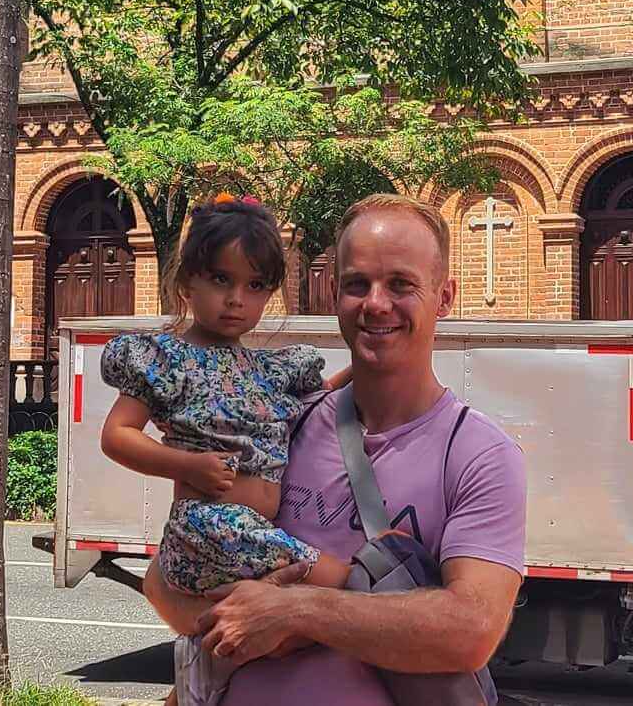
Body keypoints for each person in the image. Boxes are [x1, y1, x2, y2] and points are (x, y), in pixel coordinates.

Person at [144, 192, 527, 705]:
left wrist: (293, 612)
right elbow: (164, 583)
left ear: (445, 297)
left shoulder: (478, 453)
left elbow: (470, 629)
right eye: (357, 284)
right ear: (333, 294)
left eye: (401, 285)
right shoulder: (283, 424)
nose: (375, 303)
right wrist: (248, 619)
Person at [100, 197, 358, 664]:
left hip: (253, 532)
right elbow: (117, 434)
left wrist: (362, 369)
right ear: (187, 281)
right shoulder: (169, 361)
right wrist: (187, 465)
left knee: (249, 647)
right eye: (221, 279)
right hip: (209, 528)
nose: (237, 298)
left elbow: (319, 400)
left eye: (254, 285)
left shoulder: (266, 370)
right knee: (346, 581)